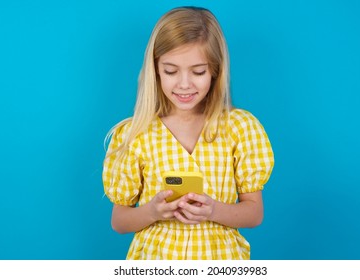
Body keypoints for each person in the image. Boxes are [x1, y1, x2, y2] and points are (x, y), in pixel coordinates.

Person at [103, 6, 274, 260]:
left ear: (215, 70)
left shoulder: (240, 128)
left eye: (198, 71)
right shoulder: (135, 133)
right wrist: (152, 212)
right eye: (171, 71)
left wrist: (213, 210)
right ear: (156, 70)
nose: (184, 84)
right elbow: (119, 221)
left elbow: (254, 213)